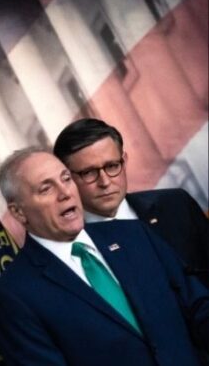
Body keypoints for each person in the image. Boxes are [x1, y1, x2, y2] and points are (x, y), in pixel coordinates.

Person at [0, 148, 209, 365]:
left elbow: (199, 307)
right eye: (46, 189)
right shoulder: (12, 295)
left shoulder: (134, 235)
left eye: (66, 179)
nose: (65, 193)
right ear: (18, 212)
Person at [53, 117, 209, 288]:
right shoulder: (73, 248)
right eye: (89, 172)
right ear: (66, 179)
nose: (105, 182)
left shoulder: (175, 205)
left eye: (112, 166)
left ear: (124, 161)